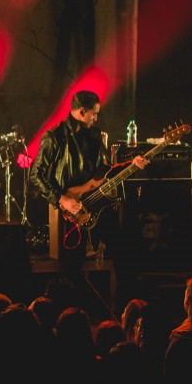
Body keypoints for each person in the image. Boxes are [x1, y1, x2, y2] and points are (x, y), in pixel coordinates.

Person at [29, 90, 147, 272]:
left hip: (99, 203)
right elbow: (36, 175)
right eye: (94, 114)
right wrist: (62, 200)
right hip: (73, 209)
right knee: (73, 266)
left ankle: (126, 297)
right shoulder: (54, 136)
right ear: (82, 112)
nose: (96, 118)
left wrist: (130, 165)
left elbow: (105, 171)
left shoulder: (95, 135)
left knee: (123, 253)